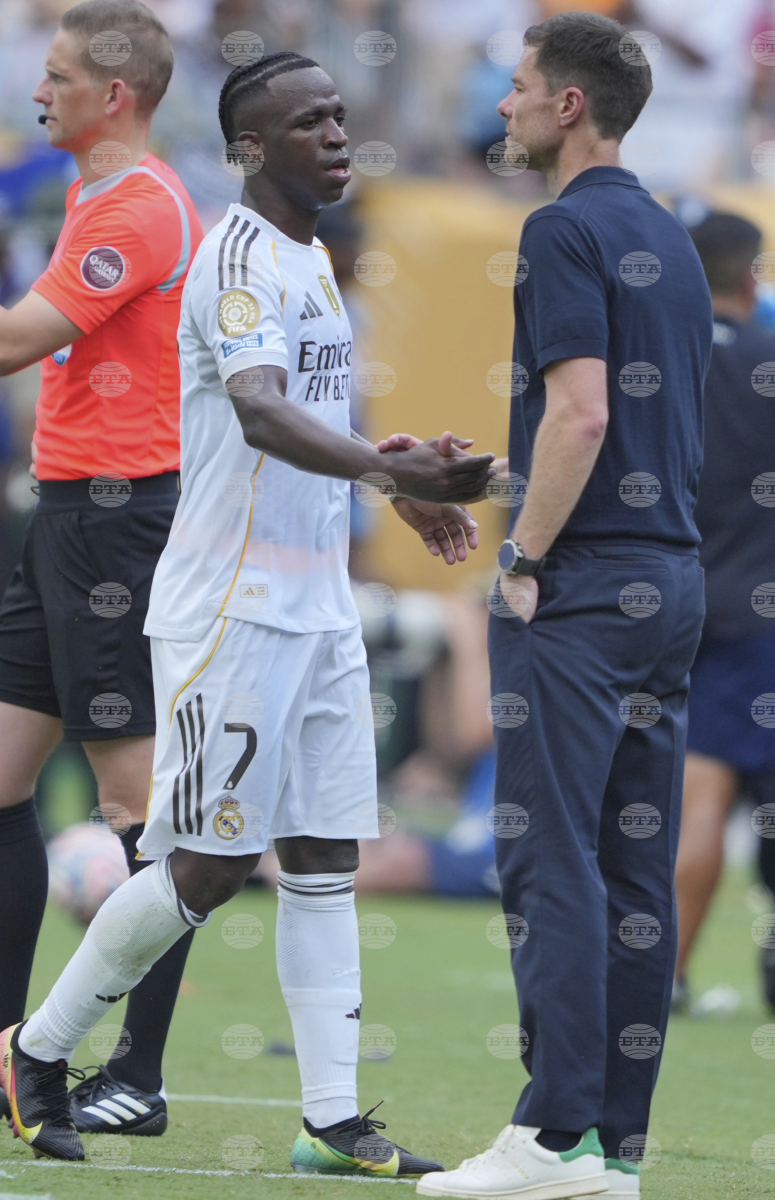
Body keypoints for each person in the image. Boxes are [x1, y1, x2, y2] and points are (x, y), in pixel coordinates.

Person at [0, 52, 494, 1167]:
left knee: (321, 856)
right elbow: (261, 413)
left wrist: (391, 479)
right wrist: (392, 469)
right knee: (209, 865)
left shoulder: (311, 257)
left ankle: (330, 1120)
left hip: (317, 609)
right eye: (310, 122)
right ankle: (38, 1047)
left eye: (339, 116)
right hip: (233, 608)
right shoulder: (238, 256)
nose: (336, 135)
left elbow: (305, 425)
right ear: (251, 147)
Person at [412, 14, 712, 1200]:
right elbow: (621, 439)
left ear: (568, 104)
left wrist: (519, 555)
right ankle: (609, 1149)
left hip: (580, 587)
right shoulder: (671, 234)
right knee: (631, 866)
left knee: (549, 856)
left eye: (519, 84)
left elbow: (582, 418)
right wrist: (489, 478)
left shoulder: (557, 227)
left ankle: (549, 1138)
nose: (503, 103)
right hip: (664, 580)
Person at [0, 0, 203, 1134]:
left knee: (136, 811)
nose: (37, 91)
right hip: (64, 515)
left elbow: (15, 342)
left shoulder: (140, 207)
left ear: (114, 95)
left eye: (58, 76)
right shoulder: (91, 195)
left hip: (119, 524)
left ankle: (136, 1075)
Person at [672, 211, 775, 1013]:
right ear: (750, 275)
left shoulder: (660, 358)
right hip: (756, 609)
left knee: (682, 792)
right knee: (710, 793)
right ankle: (665, 976)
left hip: (665, 597)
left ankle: (656, 976)